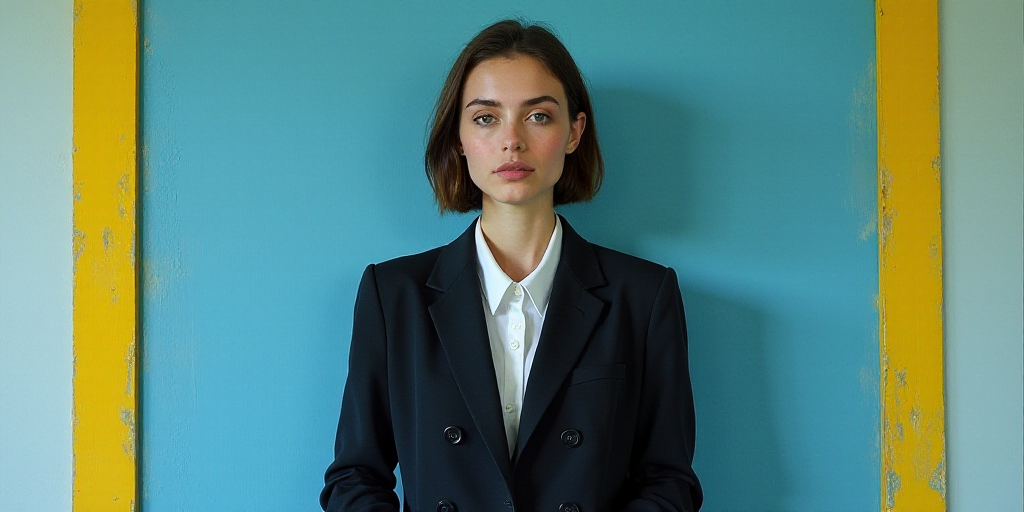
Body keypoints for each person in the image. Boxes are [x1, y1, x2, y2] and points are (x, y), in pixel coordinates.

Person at [321, 19, 702, 512]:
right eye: (485, 118)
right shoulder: (393, 294)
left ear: (574, 132)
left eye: (538, 116)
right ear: (458, 138)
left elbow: (668, 479)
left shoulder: (644, 295)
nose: (512, 141)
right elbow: (354, 477)